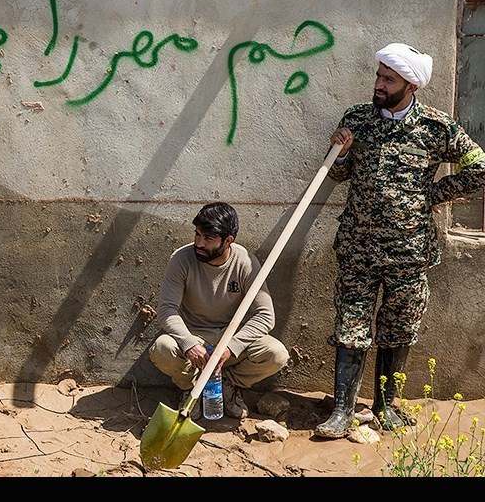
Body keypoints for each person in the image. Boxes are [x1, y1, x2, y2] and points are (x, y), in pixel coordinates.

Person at [314, 43, 485, 438]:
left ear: (411, 85)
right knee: (350, 324)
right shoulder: (357, 119)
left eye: (388, 78)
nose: (378, 84)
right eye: (378, 75)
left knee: (399, 326)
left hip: (409, 251)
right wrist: (340, 152)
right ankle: (342, 412)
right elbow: (338, 175)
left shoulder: (436, 127)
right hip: (358, 247)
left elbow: (479, 168)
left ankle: (386, 406)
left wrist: (433, 195)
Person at [149, 201, 290, 419]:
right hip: (195, 340)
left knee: (277, 354)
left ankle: (229, 383)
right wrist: (188, 343)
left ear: (228, 240)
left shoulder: (245, 263)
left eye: (208, 239)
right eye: (197, 235)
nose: (199, 243)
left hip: (231, 340)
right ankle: (191, 387)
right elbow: (167, 310)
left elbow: (265, 316)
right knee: (162, 348)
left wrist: (232, 346)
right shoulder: (181, 259)